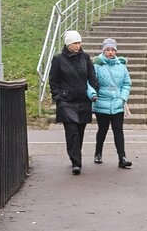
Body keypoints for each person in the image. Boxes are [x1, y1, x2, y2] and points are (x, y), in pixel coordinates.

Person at [48, 30, 97, 175]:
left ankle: (76, 156)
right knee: (72, 132)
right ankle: (76, 162)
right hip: (66, 101)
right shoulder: (58, 59)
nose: (78, 46)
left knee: (80, 131)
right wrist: (58, 96)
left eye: (79, 43)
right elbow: (53, 79)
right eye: (75, 43)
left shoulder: (85, 57)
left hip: (83, 100)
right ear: (68, 44)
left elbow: (91, 76)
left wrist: (94, 91)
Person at [92, 38, 133, 169]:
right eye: (107, 50)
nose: (110, 52)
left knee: (118, 130)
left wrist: (123, 97)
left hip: (117, 104)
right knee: (102, 130)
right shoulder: (97, 66)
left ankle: (122, 157)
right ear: (103, 51)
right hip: (102, 103)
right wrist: (93, 95)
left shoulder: (122, 66)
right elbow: (91, 82)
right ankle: (98, 152)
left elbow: (126, 83)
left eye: (113, 50)